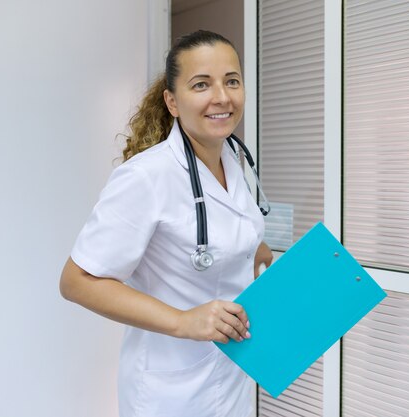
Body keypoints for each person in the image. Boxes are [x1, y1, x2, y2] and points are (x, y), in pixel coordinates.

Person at [59, 30, 273, 417]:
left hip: (234, 377)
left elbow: (223, 229)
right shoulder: (146, 176)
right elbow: (77, 281)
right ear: (172, 101)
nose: (222, 97)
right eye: (201, 84)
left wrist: (254, 250)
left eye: (232, 81)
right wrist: (182, 321)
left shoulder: (233, 161)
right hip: (170, 393)